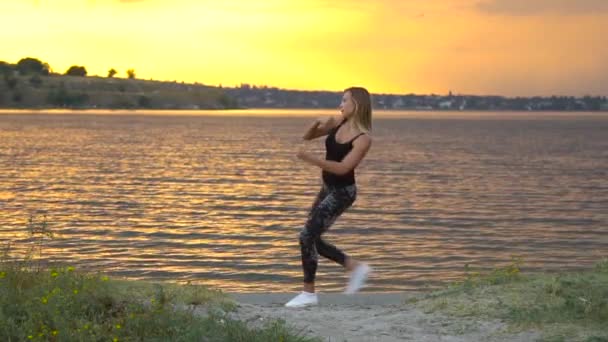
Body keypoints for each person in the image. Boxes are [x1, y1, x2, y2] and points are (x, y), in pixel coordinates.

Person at [285, 87, 373, 308]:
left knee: (306, 236)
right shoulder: (338, 123)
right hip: (327, 188)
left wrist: (312, 160)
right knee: (310, 236)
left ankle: (308, 293)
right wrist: (316, 123)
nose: (340, 105)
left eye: (344, 101)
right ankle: (354, 266)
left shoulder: (363, 138)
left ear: (357, 105)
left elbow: (343, 168)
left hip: (343, 193)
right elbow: (307, 137)